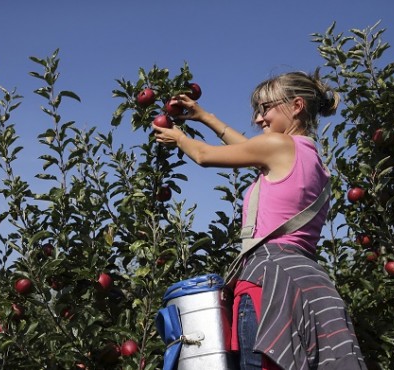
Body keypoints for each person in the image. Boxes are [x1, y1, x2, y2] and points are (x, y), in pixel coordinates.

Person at [152, 70, 367, 370]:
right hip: (308, 285)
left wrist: (178, 137)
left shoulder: (278, 147)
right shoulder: (312, 159)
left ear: (296, 106)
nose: (257, 119)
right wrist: (204, 117)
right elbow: (246, 148)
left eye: (266, 108)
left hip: (268, 284)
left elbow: (203, 155)